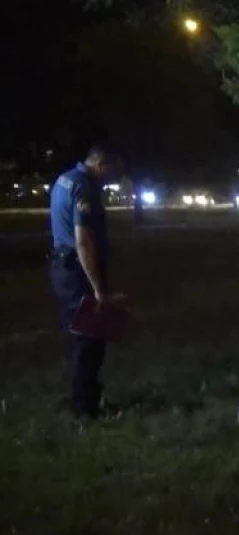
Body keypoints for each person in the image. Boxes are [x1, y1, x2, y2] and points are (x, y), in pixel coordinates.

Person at [48, 144, 124, 419]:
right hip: (78, 271)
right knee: (90, 340)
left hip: (62, 267)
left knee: (79, 338)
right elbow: (84, 241)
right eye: (113, 170)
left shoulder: (63, 179)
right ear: (101, 164)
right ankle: (85, 408)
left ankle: (82, 398)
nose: (114, 177)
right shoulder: (85, 188)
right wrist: (98, 289)